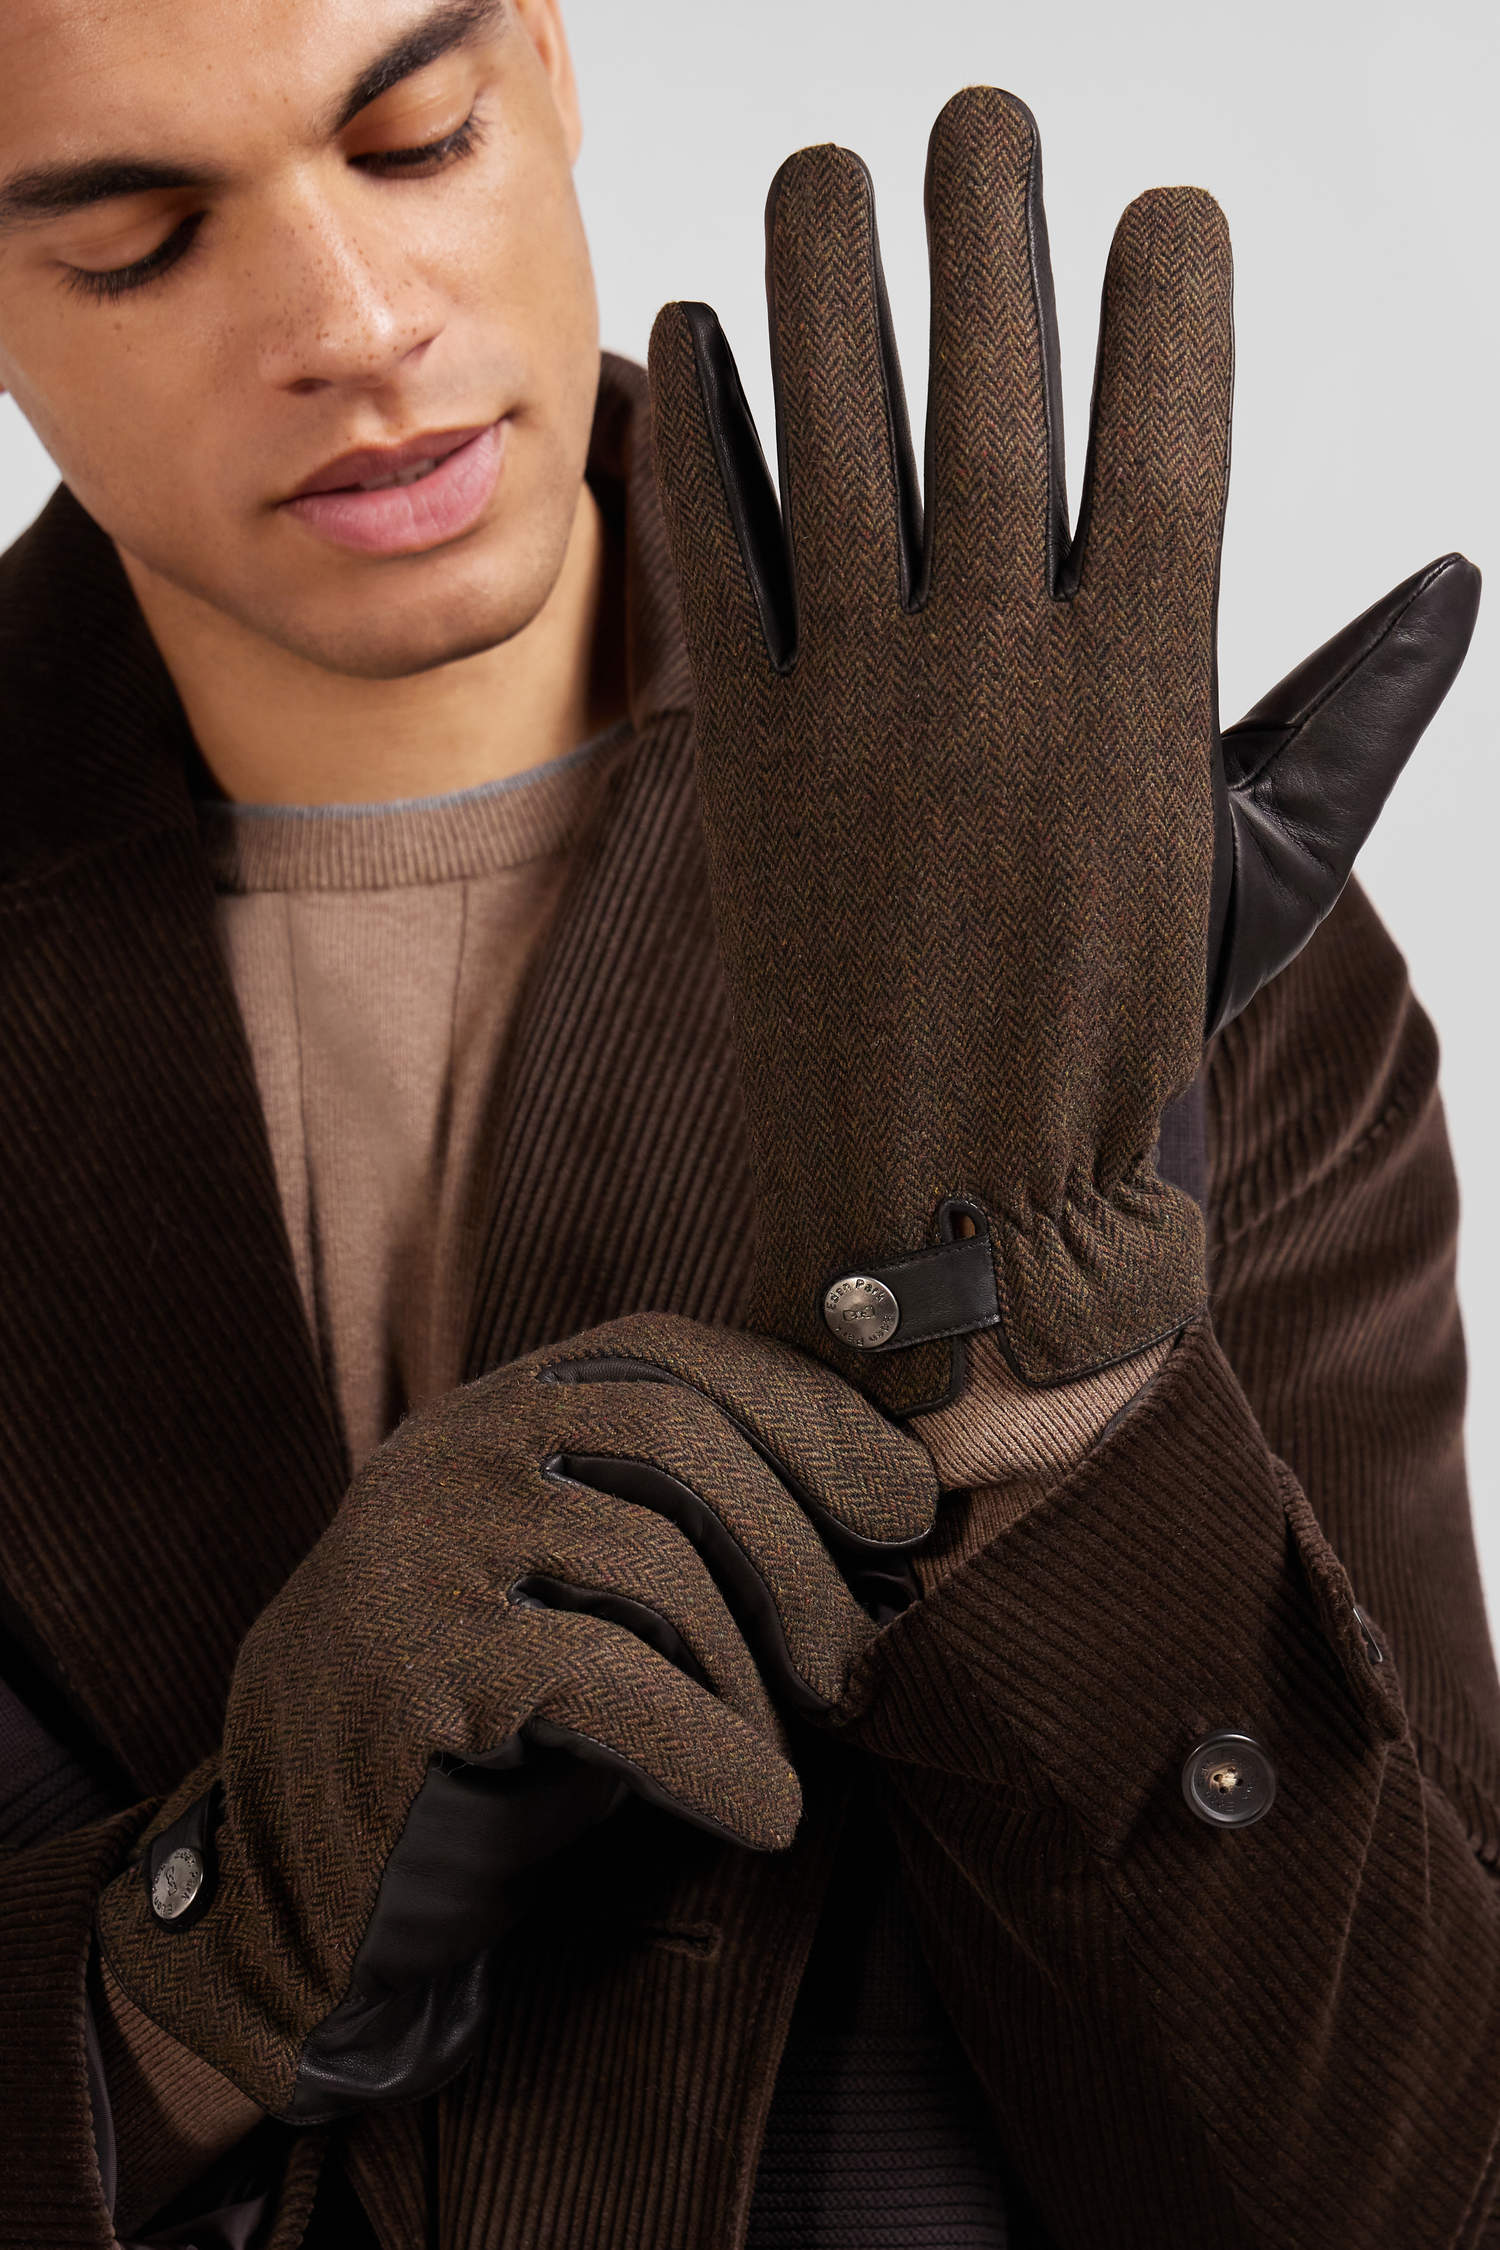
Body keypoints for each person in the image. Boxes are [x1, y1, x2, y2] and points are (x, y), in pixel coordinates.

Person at [0, 0, 1495, 2244]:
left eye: (415, 139)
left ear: (547, 57)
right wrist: (205, 1947)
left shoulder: (1149, 935)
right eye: (138, 241)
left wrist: (1051, 1425)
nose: (356, 323)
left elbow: (1413, 2190)